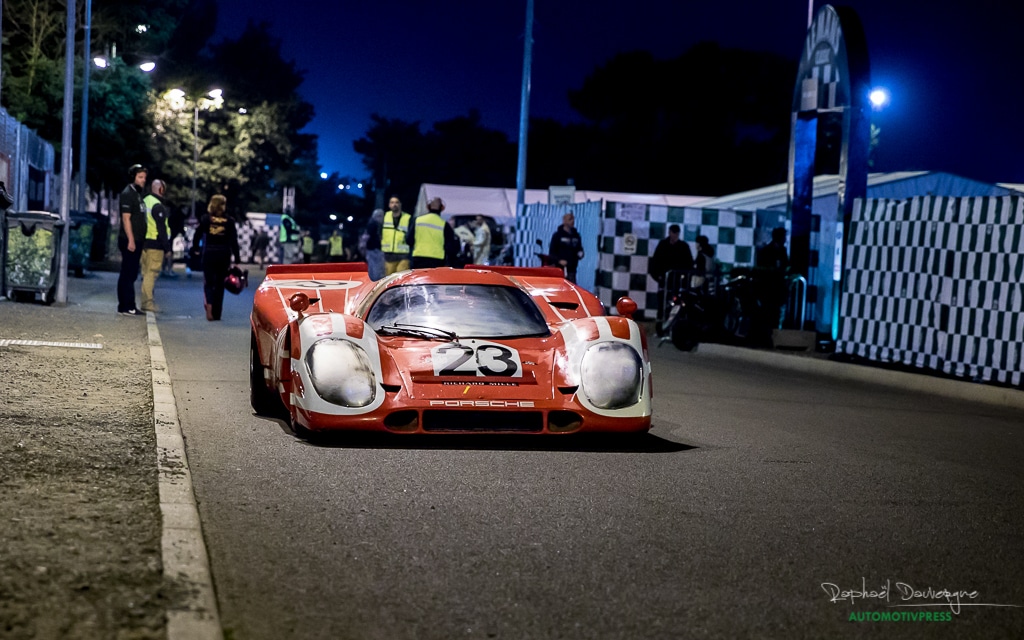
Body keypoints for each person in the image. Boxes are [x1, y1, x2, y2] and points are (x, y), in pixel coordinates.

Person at [192, 194, 240, 321]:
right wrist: (237, 260)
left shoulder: (206, 219)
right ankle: (217, 313)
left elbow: (197, 235)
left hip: (209, 254)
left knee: (208, 283)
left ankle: (209, 308)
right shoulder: (230, 221)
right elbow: (234, 241)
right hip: (224, 255)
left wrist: (195, 248)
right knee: (220, 284)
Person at [648, 224, 694, 330]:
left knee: (677, 305)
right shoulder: (663, 245)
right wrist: (657, 276)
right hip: (665, 280)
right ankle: (660, 328)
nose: (674, 236)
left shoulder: (683, 246)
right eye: (673, 233)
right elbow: (655, 262)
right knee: (662, 304)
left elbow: (689, 264)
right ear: (669, 233)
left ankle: (675, 328)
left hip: (677, 282)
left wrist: (684, 279)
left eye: (676, 234)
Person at [116, 164, 148, 316]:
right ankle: (127, 305)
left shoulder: (137, 194)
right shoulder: (128, 194)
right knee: (128, 273)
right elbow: (126, 218)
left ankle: (126, 305)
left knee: (131, 273)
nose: (143, 180)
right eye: (140, 177)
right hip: (130, 240)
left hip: (137, 239)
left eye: (144, 178)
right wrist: (131, 240)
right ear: (132, 177)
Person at [139, 179, 173, 313]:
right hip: (155, 244)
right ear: (161, 190)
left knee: (145, 273)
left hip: (144, 243)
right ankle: (147, 303)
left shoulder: (144, 201)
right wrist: (167, 248)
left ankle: (145, 301)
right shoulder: (157, 206)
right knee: (151, 274)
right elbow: (162, 229)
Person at [756, 227, 790, 334]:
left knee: (776, 312)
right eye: (784, 237)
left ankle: (774, 334)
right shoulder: (766, 250)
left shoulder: (782, 250)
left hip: (778, 287)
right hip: (769, 287)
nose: (785, 239)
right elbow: (762, 268)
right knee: (768, 311)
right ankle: (767, 334)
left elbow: (786, 265)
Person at [408, 197, 459, 269]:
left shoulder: (418, 220)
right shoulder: (444, 224)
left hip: (418, 257)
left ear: (428, 207)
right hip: (437, 259)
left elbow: (409, 240)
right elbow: (450, 247)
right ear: (441, 208)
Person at [549, 211, 585, 283]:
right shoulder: (558, 235)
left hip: (572, 268)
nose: (572, 221)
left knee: (572, 288)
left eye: (573, 219)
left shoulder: (576, 235)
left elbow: (579, 248)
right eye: (570, 219)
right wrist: (559, 260)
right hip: (560, 269)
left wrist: (580, 254)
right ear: (564, 221)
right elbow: (552, 252)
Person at [381, 195, 411, 275]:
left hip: (404, 256)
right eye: (392, 202)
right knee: (389, 280)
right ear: (389, 205)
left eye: (397, 202)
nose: (394, 204)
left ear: (400, 204)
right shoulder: (384, 217)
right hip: (388, 256)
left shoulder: (408, 218)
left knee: (401, 279)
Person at [163, 202, 185, 277]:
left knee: (166, 253)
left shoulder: (171, 216)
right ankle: (168, 269)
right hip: (169, 236)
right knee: (169, 253)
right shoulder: (176, 216)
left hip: (167, 236)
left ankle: (165, 269)